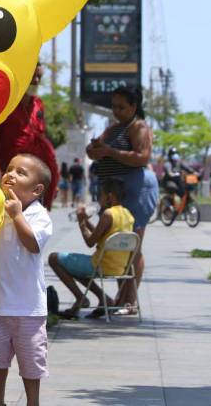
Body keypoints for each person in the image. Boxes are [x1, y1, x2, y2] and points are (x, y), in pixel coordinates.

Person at [0, 153, 53, 406]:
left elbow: (33, 244)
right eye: (9, 169)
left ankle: (33, 402)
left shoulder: (39, 215)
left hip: (28, 308)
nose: (10, 174)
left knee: (31, 363)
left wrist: (17, 215)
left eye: (21, 172)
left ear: (36, 189)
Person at [86, 85, 155, 316]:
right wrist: (94, 149)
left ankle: (129, 300)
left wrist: (109, 152)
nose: (116, 111)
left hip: (135, 188)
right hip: (113, 191)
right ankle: (120, 298)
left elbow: (142, 157)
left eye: (121, 107)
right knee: (115, 243)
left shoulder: (139, 127)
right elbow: (94, 152)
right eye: (114, 106)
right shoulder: (114, 128)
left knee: (132, 245)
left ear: (134, 107)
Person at [48, 177, 135, 319]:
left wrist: (81, 222)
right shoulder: (127, 214)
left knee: (54, 258)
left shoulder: (108, 214)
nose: (98, 199)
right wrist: (86, 221)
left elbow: (90, 242)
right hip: (120, 267)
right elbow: (103, 236)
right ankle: (103, 298)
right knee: (72, 265)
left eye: (100, 195)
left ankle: (80, 298)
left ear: (109, 197)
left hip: (100, 265)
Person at [0, 63, 59, 209]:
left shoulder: (38, 104)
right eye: (33, 76)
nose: (36, 81)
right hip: (12, 171)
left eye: (39, 77)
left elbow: (42, 136)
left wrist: (52, 180)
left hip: (33, 176)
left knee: (35, 215)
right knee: (11, 211)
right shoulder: (7, 102)